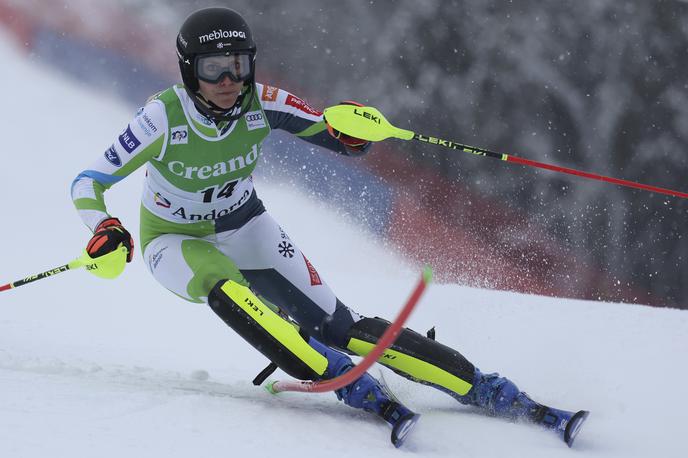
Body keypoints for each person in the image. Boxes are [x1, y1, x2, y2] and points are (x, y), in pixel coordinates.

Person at [71, 7, 588, 448]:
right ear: (189, 71)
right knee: (222, 285)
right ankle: (347, 382)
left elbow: (334, 133)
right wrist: (104, 227)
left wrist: (358, 132)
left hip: (244, 222)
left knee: (341, 325)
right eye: (213, 69)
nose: (229, 81)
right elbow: (87, 181)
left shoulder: (262, 101)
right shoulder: (162, 117)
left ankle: (491, 389)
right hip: (175, 240)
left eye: (238, 65)